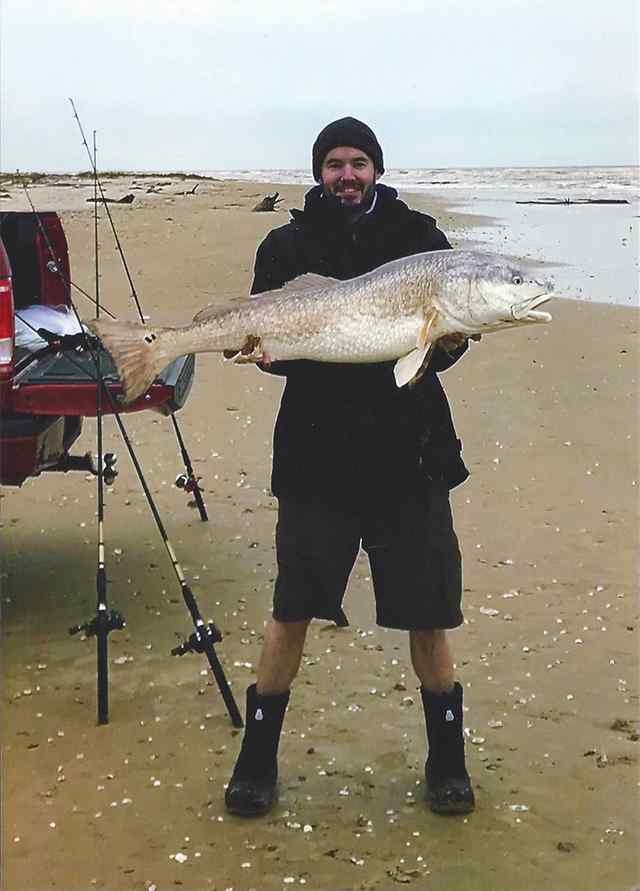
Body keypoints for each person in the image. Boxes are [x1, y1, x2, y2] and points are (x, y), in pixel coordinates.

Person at [225, 116, 475, 818]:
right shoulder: (285, 246)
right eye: (334, 163)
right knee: (292, 608)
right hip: (317, 455)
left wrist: (449, 340)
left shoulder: (420, 238)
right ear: (319, 172)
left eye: (358, 162)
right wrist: (262, 354)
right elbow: (274, 351)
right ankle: (256, 760)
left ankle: (448, 760)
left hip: (412, 455)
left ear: (376, 169)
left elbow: (446, 347)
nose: (346, 175)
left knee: (430, 613)